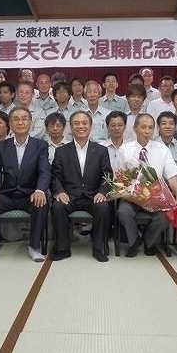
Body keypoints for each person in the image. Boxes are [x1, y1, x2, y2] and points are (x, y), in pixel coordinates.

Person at [0, 107, 50, 263]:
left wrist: (40, 190)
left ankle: (34, 247)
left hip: (30, 194)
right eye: (16, 119)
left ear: (31, 123)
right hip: (8, 194)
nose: (20, 122)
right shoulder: (2, 146)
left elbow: (45, 172)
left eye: (24, 119)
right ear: (10, 123)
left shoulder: (40, 146)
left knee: (41, 203)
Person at [117, 113, 177, 257]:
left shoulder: (162, 150)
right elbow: (119, 179)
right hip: (132, 197)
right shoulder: (124, 150)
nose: (147, 131)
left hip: (156, 198)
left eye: (150, 128)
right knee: (123, 212)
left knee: (167, 215)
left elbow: (172, 176)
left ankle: (148, 240)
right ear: (135, 128)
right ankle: (134, 241)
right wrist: (128, 194)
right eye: (143, 127)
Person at [50, 111, 113, 262]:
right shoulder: (61, 151)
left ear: (90, 126)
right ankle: (63, 248)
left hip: (93, 196)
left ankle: (98, 247)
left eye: (84, 123)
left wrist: (102, 192)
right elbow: (54, 176)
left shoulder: (101, 151)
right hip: (70, 196)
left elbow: (108, 175)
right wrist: (59, 191)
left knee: (104, 207)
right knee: (57, 207)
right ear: (70, 128)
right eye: (76, 123)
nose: (81, 126)